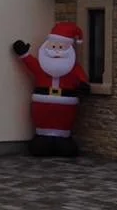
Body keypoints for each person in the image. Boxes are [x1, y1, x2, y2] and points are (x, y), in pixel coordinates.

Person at [12, 21, 90, 156]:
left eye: (61, 47)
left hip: (66, 107)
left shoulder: (73, 68)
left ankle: (63, 140)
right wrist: (24, 54)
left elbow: (81, 78)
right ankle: (42, 138)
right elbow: (31, 64)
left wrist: (84, 86)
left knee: (64, 130)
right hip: (42, 104)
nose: (57, 50)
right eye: (54, 46)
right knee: (42, 134)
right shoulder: (41, 67)